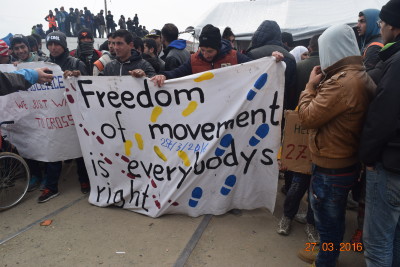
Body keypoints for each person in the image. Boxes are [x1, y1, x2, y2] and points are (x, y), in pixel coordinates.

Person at [298, 24, 376, 267]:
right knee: (333, 216)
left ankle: (325, 259)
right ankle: (325, 252)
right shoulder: (359, 74)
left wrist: (310, 87)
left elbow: (307, 117)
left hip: (331, 165)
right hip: (344, 160)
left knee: (328, 220)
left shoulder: (341, 83)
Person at [359, 0, 400, 266]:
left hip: (390, 164)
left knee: (376, 245)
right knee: (394, 238)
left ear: (394, 27)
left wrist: (368, 158)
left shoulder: (396, 63)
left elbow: (383, 116)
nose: (380, 27)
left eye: (382, 23)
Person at [38, 31, 90, 203]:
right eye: (50, 45)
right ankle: (51, 186)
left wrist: (76, 75)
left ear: (64, 45)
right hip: (54, 116)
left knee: (79, 148)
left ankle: (85, 180)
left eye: (57, 44)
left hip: (74, 115)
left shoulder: (76, 63)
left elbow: (87, 86)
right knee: (54, 149)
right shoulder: (44, 65)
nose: (53, 48)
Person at [152, 24, 251, 86]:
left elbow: (256, 67)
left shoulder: (234, 56)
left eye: (210, 51)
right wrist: (163, 75)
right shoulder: (194, 59)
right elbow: (177, 73)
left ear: (218, 48)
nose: (205, 55)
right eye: (203, 50)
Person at [246, 20, 297, 111]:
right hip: (280, 107)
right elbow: (291, 90)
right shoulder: (290, 57)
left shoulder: (252, 54)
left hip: (256, 108)